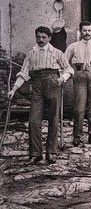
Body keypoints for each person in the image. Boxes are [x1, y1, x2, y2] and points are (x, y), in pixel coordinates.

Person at [7, 26, 74, 164]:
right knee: (33, 120)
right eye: (38, 37)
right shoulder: (31, 54)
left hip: (53, 84)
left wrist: (63, 78)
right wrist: (13, 89)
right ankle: (36, 154)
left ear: (49, 38)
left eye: (44, 37)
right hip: (37, 85)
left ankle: (51, 152)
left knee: (53, 119)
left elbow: (68, 68)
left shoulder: (57, 53)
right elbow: (24, 74)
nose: (41, 40)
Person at [65, 21, 91, 147]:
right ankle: (77, 135)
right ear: (80, 32)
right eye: (84, 30)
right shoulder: (73, 46)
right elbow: (64, 60)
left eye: (89, 30)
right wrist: (71, 72)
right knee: (79, 107)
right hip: (79, 75)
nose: (87, 33)